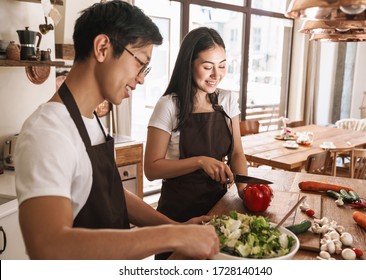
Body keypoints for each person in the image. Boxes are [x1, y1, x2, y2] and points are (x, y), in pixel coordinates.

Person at [14, 1, 219, 260]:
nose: (142, 78)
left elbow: (111, 192)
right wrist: (172, 237)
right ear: (102, 48)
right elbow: (48, 246)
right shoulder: (47, 132)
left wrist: (174, 227)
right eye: (140, 63)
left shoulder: (90, 120)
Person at [144, 27, 248, 226]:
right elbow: (151, 168)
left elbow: (236, 153)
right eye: (208, 67)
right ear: (189, 64)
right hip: (178, 213)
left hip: (218, 208)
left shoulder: (227, 99)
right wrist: (200, 161)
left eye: (222, 66)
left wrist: (244, 189)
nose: (216, 75)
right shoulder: (169, 105)